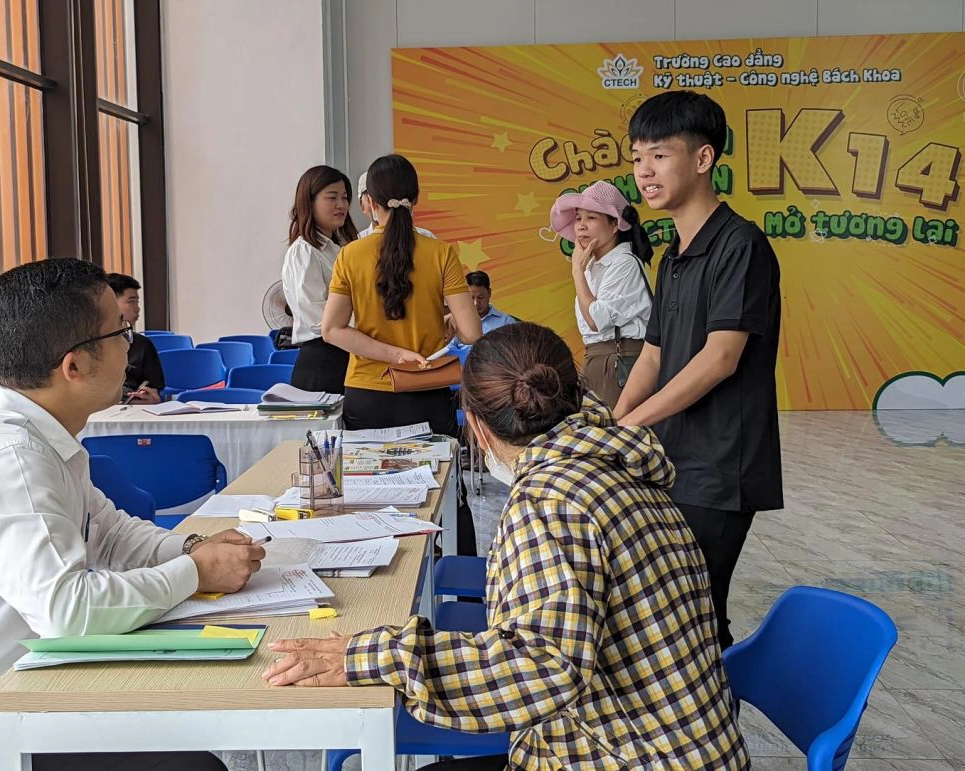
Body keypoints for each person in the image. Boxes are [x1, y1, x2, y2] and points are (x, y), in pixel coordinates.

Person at [261, 322, 750, 771]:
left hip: (625, 754)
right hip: (672, 744)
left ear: (476, 427)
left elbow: (543, 667)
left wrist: (376, 655)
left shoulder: (550, 502)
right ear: (577, 394)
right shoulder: (610, 462)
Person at [0, 258, 266, 771]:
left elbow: (111, 536)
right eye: (121, 333)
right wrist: (196, 572)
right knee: (193, 766)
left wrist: (192, 548)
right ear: (74, 366)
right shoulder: (9, 462)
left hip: (31, 692)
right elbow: (68, 613)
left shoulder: (39, 438)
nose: (130, 348)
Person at [613, 90, 783, 650]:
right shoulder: (674, 256)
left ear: (704, 158)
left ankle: (718, 706)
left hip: (721, 468)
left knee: (696, 618)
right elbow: (653, 355)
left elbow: (720, 358)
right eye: (637, 158)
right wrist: (614, 424)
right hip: (675, 458)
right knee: (679, 613)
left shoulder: (740, 245)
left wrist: (632, 425)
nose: (644, 171)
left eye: (659, 155)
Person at [322, 154, 482, 556]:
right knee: (443, 495)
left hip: (366, 394)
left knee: (368, 500)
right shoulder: (440, 253)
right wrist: (443, 323)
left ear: (369, 203)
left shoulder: (350, 255)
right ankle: (454, 579)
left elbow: (332, 329)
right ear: (416, 199)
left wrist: (392, 352)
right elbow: (472, 333)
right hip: (426, 392)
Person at [549, 180, 653, 407]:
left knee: (619, 426)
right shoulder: (591, 266)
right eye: (578, 218)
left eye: (591, 217)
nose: (581, 226)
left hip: (620, 360)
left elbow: (595, 320)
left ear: (615, 225)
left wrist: (576, 271)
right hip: (598, 360)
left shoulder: (624, 262)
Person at [282, 165, 359, 394]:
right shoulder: (304, 251)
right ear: (310, 202)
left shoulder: (338, 249)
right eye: (332, 197)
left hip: (347, 352)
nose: (341, 205)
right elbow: (318, 319)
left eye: (345, 198)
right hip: (323, 360)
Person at [106, 272, 164, 404]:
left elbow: (154, 395)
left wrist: (151, 400)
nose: (137, 309)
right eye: (131, 302)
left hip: (132, 408)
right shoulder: (88, 344)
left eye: (137, 302)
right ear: (110, 303)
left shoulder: (143, 345)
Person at [445, 270, 516, 350]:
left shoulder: (506, 323)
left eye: (481, 297)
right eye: (471, 298)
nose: (476, 303)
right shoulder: (456, 322)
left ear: (489, 293)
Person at [356, 171, 436, 239]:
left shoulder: (428, 238)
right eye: (376, 196)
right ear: (362, 205)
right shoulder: (357, 242)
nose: (381, 202)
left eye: (386, 193)